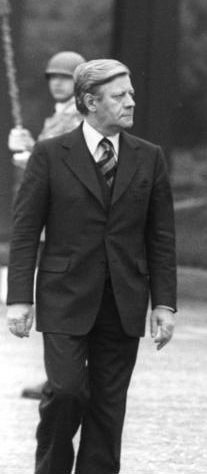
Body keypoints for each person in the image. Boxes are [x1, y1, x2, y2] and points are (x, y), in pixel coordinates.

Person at [6, 59, 177, 474]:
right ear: (89, 101)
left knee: (107, 406)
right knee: (64, 392)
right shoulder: (50, 155)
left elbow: (161, 237)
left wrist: (164, 305)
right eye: (119, 96)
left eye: (130, 93)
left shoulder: (148, 158)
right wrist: (18, 300)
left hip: (124, 300)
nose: (130, 102)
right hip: (64, 296)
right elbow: (26, 231)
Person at [6, 50, 86, 401]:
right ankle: (59, 375)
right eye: (52, 76)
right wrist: (26, 152)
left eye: (65, 77)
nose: (57, 82)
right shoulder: (56, 118)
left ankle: (66, 376)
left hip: (63, 224)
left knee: (62, 302)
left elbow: (60, 171)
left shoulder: (76, 118)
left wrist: (28, 157)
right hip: (49, 220)